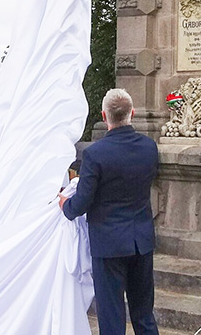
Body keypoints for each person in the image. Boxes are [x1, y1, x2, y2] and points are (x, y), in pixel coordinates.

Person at [60, 89, 159, 335]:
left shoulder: (95, 153)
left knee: (112, 316)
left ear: (104, 116)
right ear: (132, 114)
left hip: (109, 243)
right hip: (142, 240)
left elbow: (82, 203)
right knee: (144, 313)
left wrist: (65, 205)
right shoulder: (149, 147)